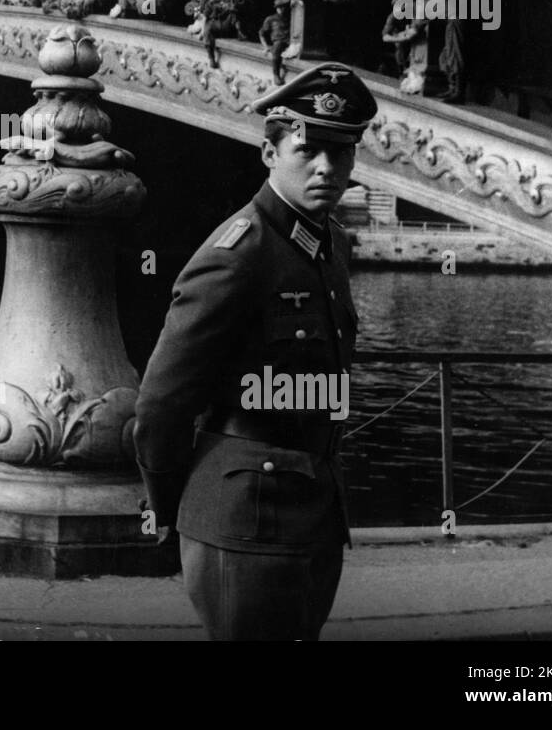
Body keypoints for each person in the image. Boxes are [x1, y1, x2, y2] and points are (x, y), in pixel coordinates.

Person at [134, 62, 378, 641]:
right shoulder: (238, 253)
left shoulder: (329, 243)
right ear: (269, 152)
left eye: (341, 154)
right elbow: (161, 405)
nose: (327, 168)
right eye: (309, 149)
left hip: (312, 514)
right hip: (242, 521)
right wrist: (175, 505)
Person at [259, 0, 292, 86]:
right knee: (276, 51)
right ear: (276, 8)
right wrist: (265, 46)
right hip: (279, 41)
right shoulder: (270, 19)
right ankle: (276, 75)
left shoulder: (288, 18)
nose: (281, 9)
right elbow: (261, 33)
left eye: (282, 7)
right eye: (279, 7)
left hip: (289, 41)